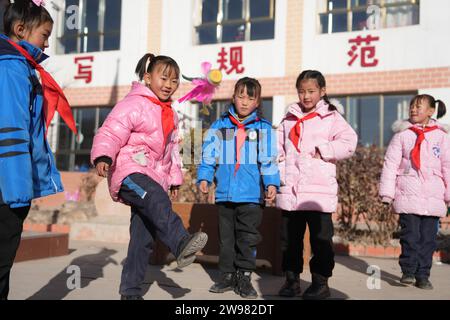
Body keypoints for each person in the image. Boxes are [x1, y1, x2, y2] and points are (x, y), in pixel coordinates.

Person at [91, 53, 208, 300]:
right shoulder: (134, 103)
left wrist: (174, 178)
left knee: (142, 239)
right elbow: (111, 130)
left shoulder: (170, 114)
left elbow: (171, 151)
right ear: (147, 77)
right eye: (163, 78)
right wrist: (103, 155)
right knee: (155, 196)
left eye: (174, 81)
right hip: (129, 171)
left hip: (152, 176)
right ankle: (179, 243)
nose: (168, 84)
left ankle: (130, 293)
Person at [0, 0, 77, 300]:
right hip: (7, 186)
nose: (47, 43)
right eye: (44, 36)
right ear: (20, 30)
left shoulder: (17, 65)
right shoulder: (12, 67)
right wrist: (19, 192)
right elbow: (12, 132)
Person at [276, 70, 357, 299]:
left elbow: (349, 142)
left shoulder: (332, 117)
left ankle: (321, 282)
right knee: (289, 240)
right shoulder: (288, 118)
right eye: (301, 91)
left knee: (321, 240)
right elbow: (278, 147)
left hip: (318, 192)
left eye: (311, 91)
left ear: (322, 91)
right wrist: (279, 166)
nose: (306, 96)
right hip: (291, 191)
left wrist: (325, 150)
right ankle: (291, 281)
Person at [198, 77, 280, 299]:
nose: (244, 102)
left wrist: (271, 182)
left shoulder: (263, 128)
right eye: (240, 96)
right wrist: (204, 177)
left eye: (250, 97)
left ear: (257, 102)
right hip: (225, 194)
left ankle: (243, 277)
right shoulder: (221, 125)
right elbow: (208, 155)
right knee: (226, 239)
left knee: (247, 238)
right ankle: (226, 276)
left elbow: (269, 159)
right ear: (233, 97)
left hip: (252, 196)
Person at [380, 94, 450, 290]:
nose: (413, 109)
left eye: (419, 106)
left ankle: (423, 275)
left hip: (433, 198)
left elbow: (448, 166)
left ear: (431, 111)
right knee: (410, 235)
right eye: (411, 106)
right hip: (407, 195)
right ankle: (408, 271)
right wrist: (387, 194)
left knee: (428, 239)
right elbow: (390, 165)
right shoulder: (402, 135)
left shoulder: (442, 137)